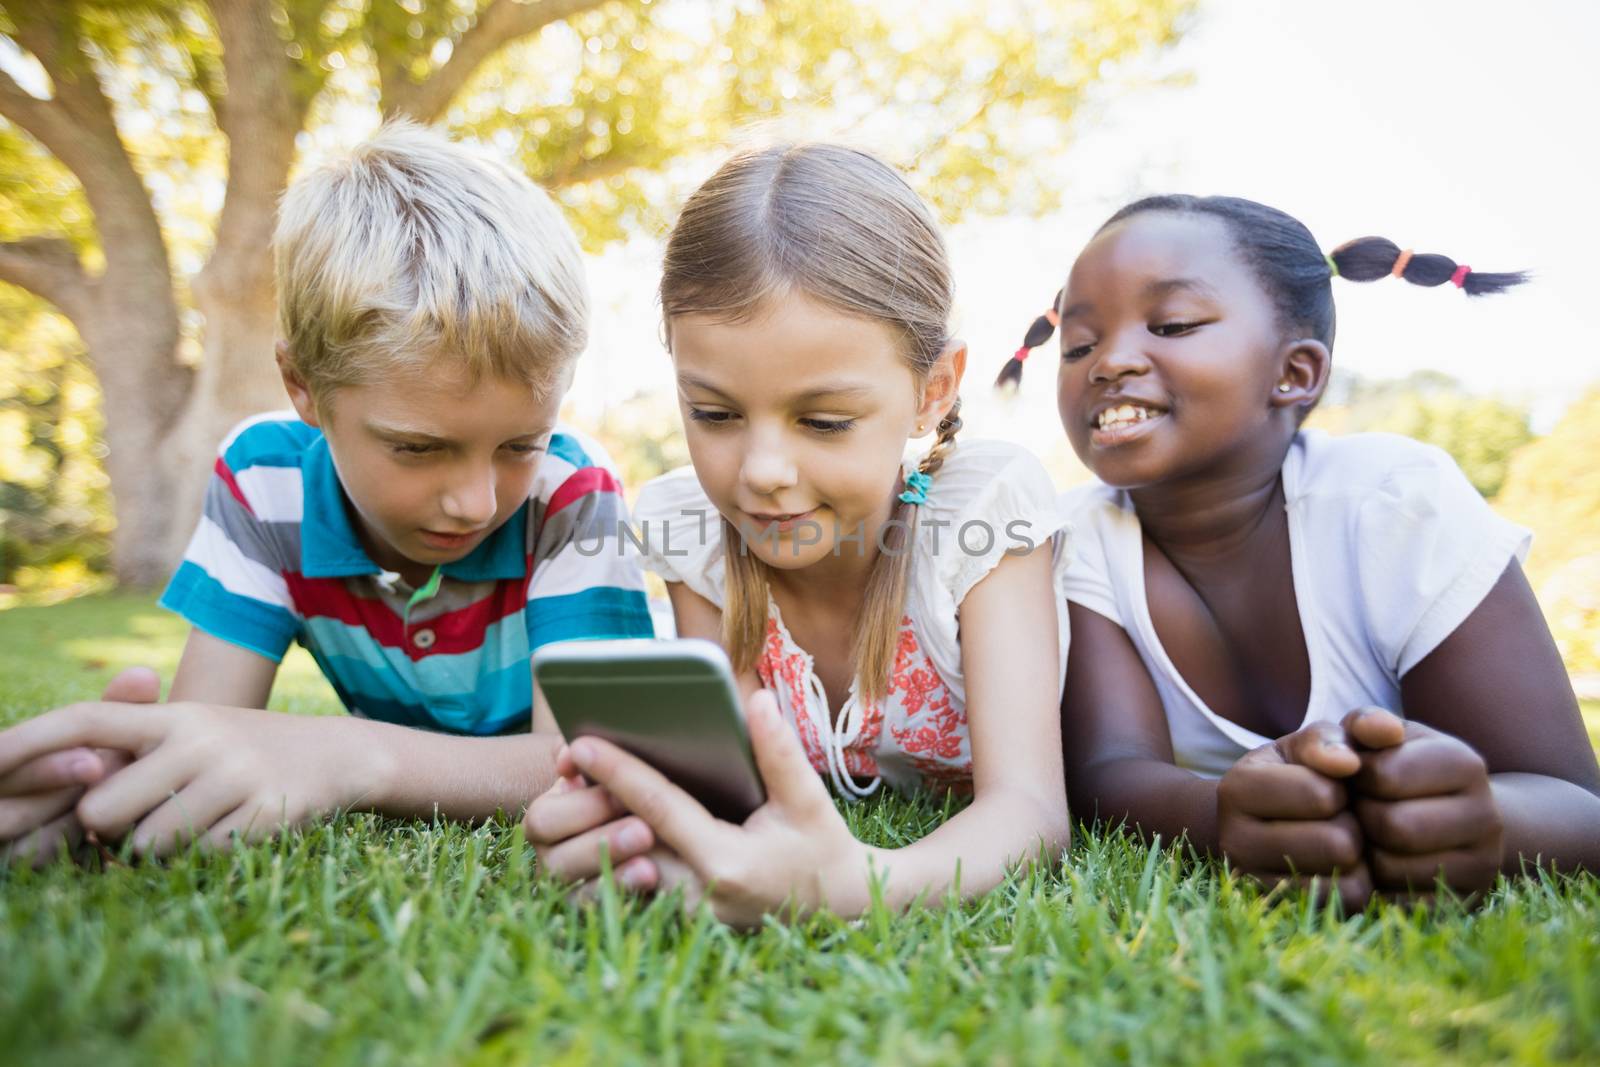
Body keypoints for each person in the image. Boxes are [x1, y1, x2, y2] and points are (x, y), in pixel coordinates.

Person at [0, 121, 653, 865]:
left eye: (519, 444)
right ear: (302, 385)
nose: (474, 500)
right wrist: (125, 781)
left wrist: (346, 755)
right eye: (417, 447)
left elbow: (583, 763)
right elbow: (212, 723)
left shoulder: (570, 493)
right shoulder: (263, 480)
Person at [523, 143, 1074, 926]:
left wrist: (862, 882)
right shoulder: (695, 532)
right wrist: (642, 830)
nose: (763, 471)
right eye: (714, 413)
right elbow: (737, 789)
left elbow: (1030, 809)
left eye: (823, 421)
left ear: (933, 390)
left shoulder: (982, 517)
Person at [1000, 194, 1600, 905]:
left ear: (1296, 373)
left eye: (1172, 324)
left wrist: (1477, 819)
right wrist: (1224, 817)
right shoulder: (1076, 541)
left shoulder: (1394, 503)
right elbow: (1108, 771)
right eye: (1078, 345)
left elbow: (1572, 801)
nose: (1110, 362)